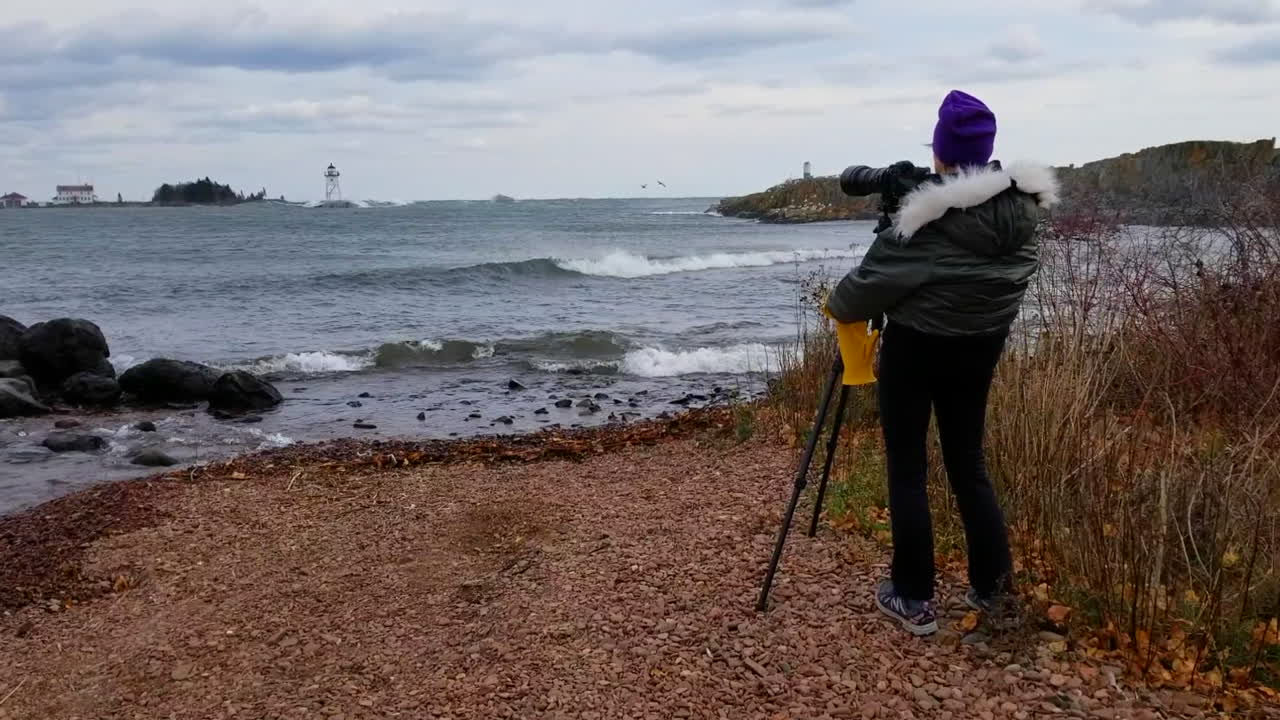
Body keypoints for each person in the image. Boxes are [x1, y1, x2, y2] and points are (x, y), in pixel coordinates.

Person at [824, 89, 1061, 635]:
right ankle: (993, 590)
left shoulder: (926, 224)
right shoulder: (1023, 216)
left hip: (918, 350)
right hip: (980, 350)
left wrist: (892, 231)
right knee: (967, 462)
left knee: (907, 468)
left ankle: (912, 597)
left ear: (942, 153)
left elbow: (854, 297)